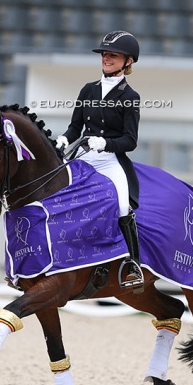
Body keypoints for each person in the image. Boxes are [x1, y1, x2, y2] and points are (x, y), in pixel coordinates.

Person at [56, 30, 144, 292]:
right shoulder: (88, 89)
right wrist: (63, 139)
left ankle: (132, 264)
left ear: (128, 61)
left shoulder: (131, 97)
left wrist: (105, 144)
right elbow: (75, 127)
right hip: (84, 157)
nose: (106, 58)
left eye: (113, 55)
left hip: (110, 160)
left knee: (122, 207)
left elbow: (131, 140)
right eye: (105, 54)